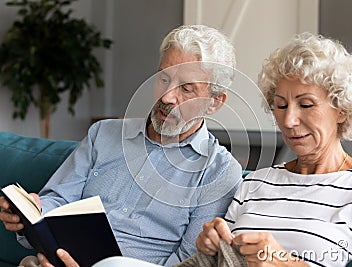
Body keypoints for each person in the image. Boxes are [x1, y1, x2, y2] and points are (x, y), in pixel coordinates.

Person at [0, 25, 242, 266]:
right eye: (163, 79)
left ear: (214, 103)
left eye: (186, 89)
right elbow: (58, 201)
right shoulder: (103, 134)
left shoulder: (219, 172)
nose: (167, 96)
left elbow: (189, 262)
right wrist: (32, 212)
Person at [195, 32, 352, 267]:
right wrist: (212, 246)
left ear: (342, 109)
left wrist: (289, 264)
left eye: (306, 104)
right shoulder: (255, 184)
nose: (289, 120)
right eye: (280, 105)